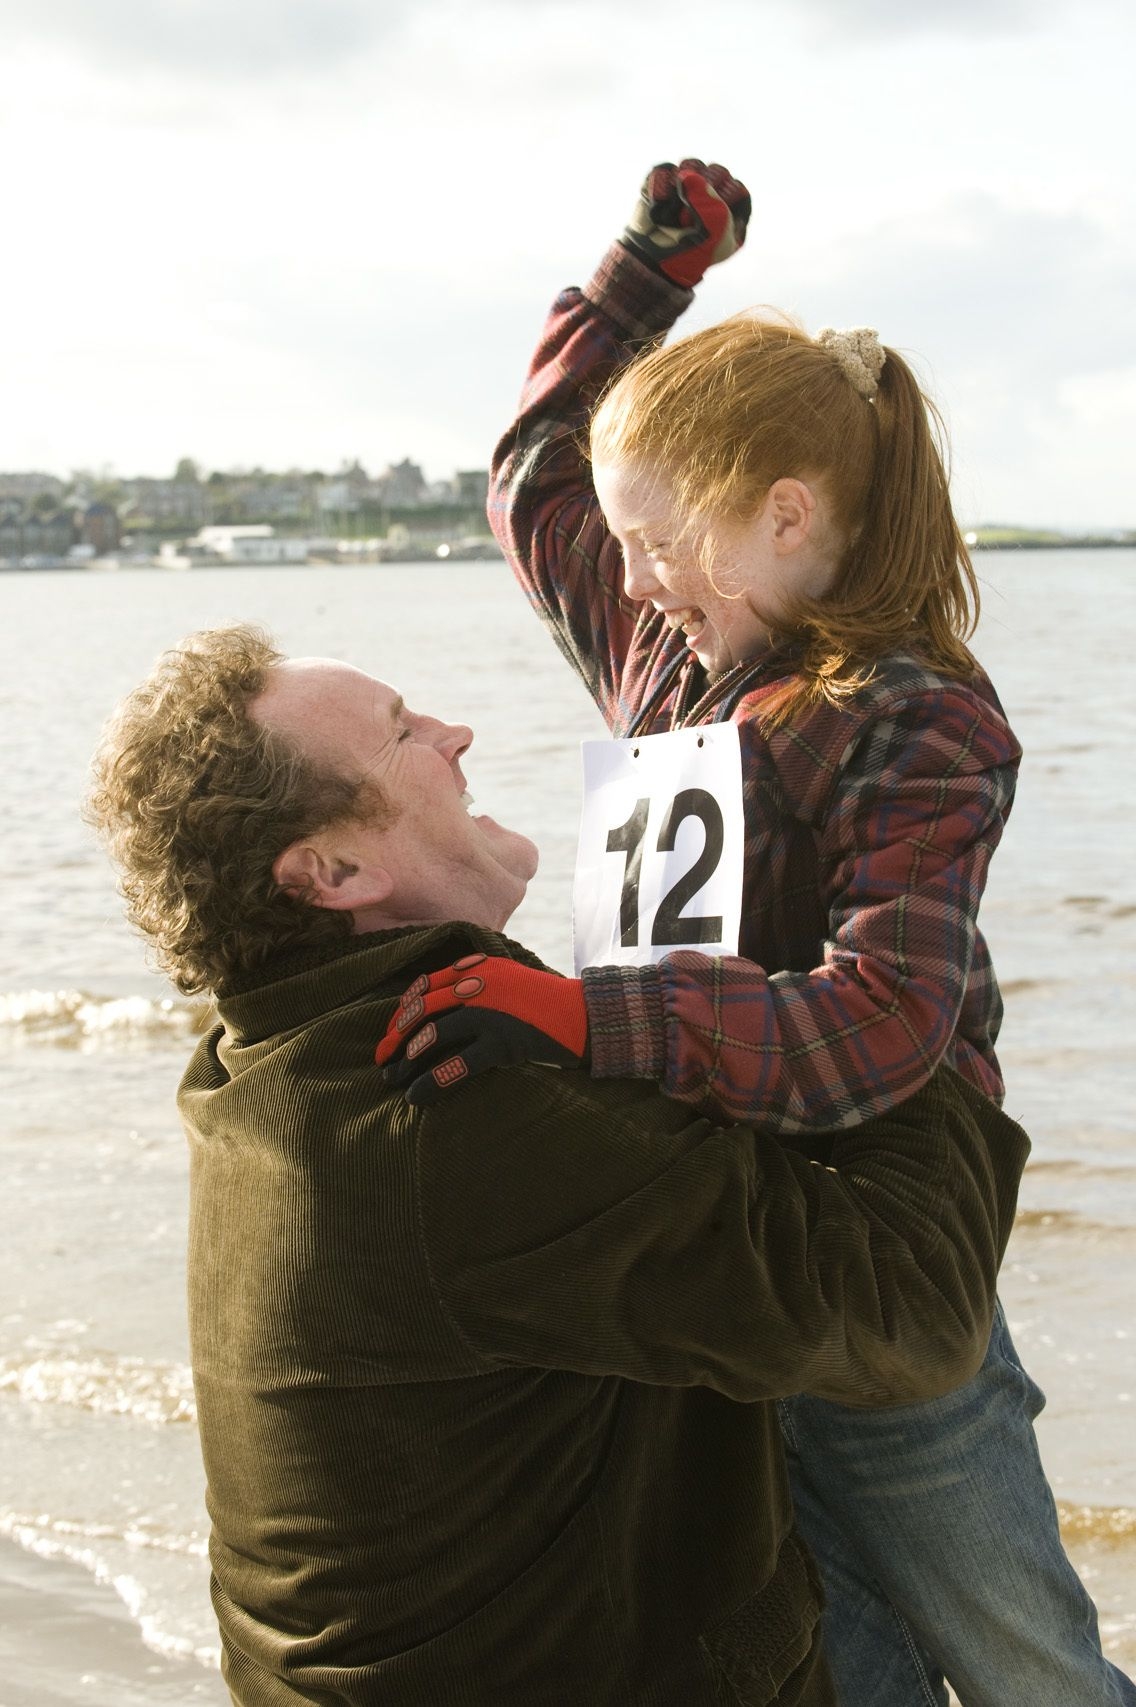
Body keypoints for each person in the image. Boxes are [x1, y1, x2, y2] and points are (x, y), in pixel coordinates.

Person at [377, 161, 1136, 1705]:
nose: (635, 581)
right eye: (629, 547)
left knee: (1023, 1661)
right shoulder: (675, 654)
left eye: (660, 542)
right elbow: (536, 470)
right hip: (699, 1260)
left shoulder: (918, 717)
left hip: (872, 1258)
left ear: (785, 513)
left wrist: (601, 1021)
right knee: (822, 1662)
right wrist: (643, 278)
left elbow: (880, 1021)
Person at [85, 625, 1031, 1706]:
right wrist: (902, 995)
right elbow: (910, 1309)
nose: (456, 733)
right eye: (403, 735)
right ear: (334, 872)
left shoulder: (255, 1066)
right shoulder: (448, 1104)